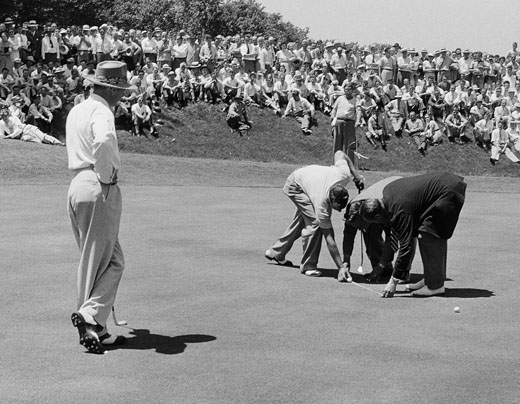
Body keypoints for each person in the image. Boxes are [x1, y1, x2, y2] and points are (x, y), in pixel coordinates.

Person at [66, 61, 133, 354]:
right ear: (107, 87)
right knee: (108, 262)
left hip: (77, 184)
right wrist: (107, 176)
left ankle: (98, 328)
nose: (121, 96)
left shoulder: (77, 108)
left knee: (99, 259)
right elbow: (104, 140)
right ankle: (91, 315)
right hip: (97, 183)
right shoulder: (101, 110)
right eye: (118, 89)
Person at [351, 172, 467, 298]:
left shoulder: (400, 210)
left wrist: (393, 281)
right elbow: (396, 236)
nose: (377, 224)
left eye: (374, 222)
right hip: (443, 187)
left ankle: (435, 286)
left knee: (428, 234)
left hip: (448, 191)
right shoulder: (388, 195)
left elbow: (406, 246)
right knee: (424, 231)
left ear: (378, 216)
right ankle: (430, 278)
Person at [265, 150, 365, 280]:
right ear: (330, 201)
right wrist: (341, 266)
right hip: (296, 185)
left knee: (303, 220)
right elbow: (330, 238)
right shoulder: (320, 203)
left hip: (308, 179)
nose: (339, 211)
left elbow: (340, 153)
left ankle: (276, 252)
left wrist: (356, 176)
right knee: (314, 223)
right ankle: (308, 266)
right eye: (337, 207)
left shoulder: (344, 175)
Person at [330, 82, 358, 160]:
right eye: (346, 90)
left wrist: (358, 120)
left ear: (352, 91)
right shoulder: (340, 98)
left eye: (349, 90)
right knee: (337, 143)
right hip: (339, 122)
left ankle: (349, 163)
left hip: (350, 123)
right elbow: (334, 109)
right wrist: (333, 116)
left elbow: (358, 111)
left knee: (349, 144)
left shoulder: (355, 100)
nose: (347, 91)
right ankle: (336, 162)